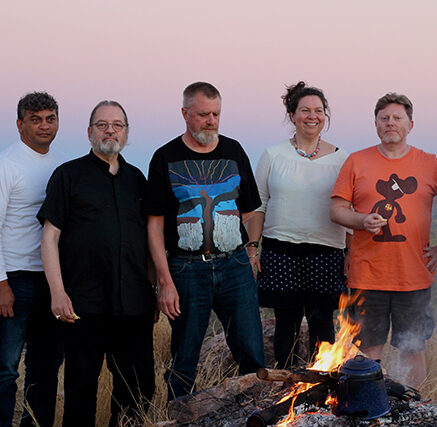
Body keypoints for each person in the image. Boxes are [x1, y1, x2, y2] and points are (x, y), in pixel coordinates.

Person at [38, 101, 156, 426]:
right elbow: (49, 238)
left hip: (134, 306)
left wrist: (153, 288)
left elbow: (149, 240)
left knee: (135, 391)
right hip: (83, 305)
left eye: (117, 125)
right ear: (89, 132)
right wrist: (58, 293)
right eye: (102, 124)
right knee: (80, 391)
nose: (110, 130)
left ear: (127, 133)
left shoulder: (138, 180)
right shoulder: (68, 176)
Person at [147, 82, 265, 399]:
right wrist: (164, 281)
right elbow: (154, 225)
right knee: (184, 359)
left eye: (215, 114)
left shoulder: (234, 151)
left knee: (252, 354)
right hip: (186, 272)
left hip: (235, 267)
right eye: (202, 114)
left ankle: (255, 414)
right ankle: (178, 416)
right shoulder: (165, 157)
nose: (210, 121)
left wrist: (250, 250)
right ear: (185, 113)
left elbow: (251, 209)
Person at [330, 92, 437, 388]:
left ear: (411, 124)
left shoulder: (430, 164)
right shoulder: (357, 161)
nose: (390, 123)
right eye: (384, 118)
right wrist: (361, 220)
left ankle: (415, 407)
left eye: (397, 118)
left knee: (412, 349)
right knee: (367, 351)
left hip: (414, 276)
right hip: (367, 275)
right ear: (375, 123)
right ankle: (370, 407)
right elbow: (336, 210)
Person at [245, 82, 350, 368]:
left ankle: (322, 392)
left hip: (326, 252)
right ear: (292, 114)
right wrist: (252, 248)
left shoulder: (342, 159)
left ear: (325, 116)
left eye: (318, 110)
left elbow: (348, 208)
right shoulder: (273, 155)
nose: (312, 116)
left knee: (323, 327)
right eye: (305, 110)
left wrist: (351, 254)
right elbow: (259, 205)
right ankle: (286, 390)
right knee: (285, 326)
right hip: (281, 252)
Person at [0, 92, 66, 427]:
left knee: (46, 365)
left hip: (52, 280)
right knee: (5, 365)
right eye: (35, 119)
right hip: (14, 278)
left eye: (50, 118)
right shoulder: (5, 164)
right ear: (20, 124)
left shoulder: (63, 163)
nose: (44, 126)